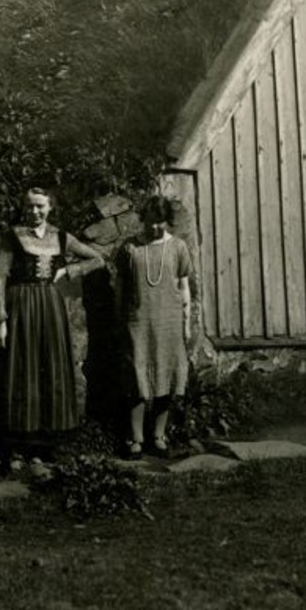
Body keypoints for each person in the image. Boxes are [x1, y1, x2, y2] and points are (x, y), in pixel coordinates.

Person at [0, 187, 105, 459]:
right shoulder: (13, 236)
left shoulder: (61, 236)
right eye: (30, 206)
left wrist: (69, 270)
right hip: (21, 305)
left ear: (50, 207)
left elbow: (97, 259)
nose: (34, 211)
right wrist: (1, 319)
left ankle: (51, 441)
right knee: (24, 366)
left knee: (52, 364)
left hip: (51, 306)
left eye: (40, 206)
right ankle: (21, 443)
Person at [116, 196, 193, 458]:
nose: (154, 228)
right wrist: (120, 319)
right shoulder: (130, 248)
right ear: (143, 221)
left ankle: (158, 435)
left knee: (166, 376)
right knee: (137, 378)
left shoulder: (179, 247)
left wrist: (187, 323)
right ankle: (135, 438)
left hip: (170, 320)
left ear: (167, 221)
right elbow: (121, 289)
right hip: (138, 320)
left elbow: (184, 287)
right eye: (149, 222)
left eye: (159, 222)